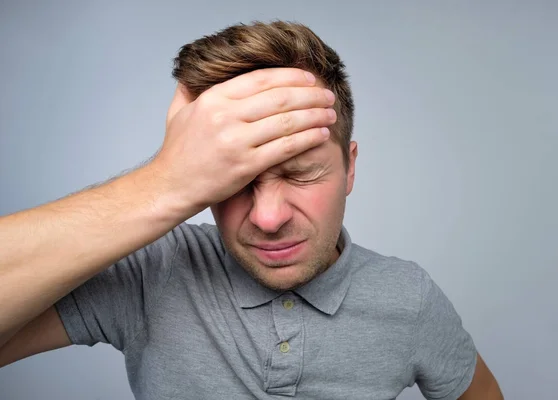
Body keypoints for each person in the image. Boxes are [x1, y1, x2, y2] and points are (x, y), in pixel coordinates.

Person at [0, 20, 503, 399]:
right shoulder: (153, 270)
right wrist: (162, 183)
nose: (267, 218)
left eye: (301, 173)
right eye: (234, 181)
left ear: (350, 169)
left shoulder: (408, 298)